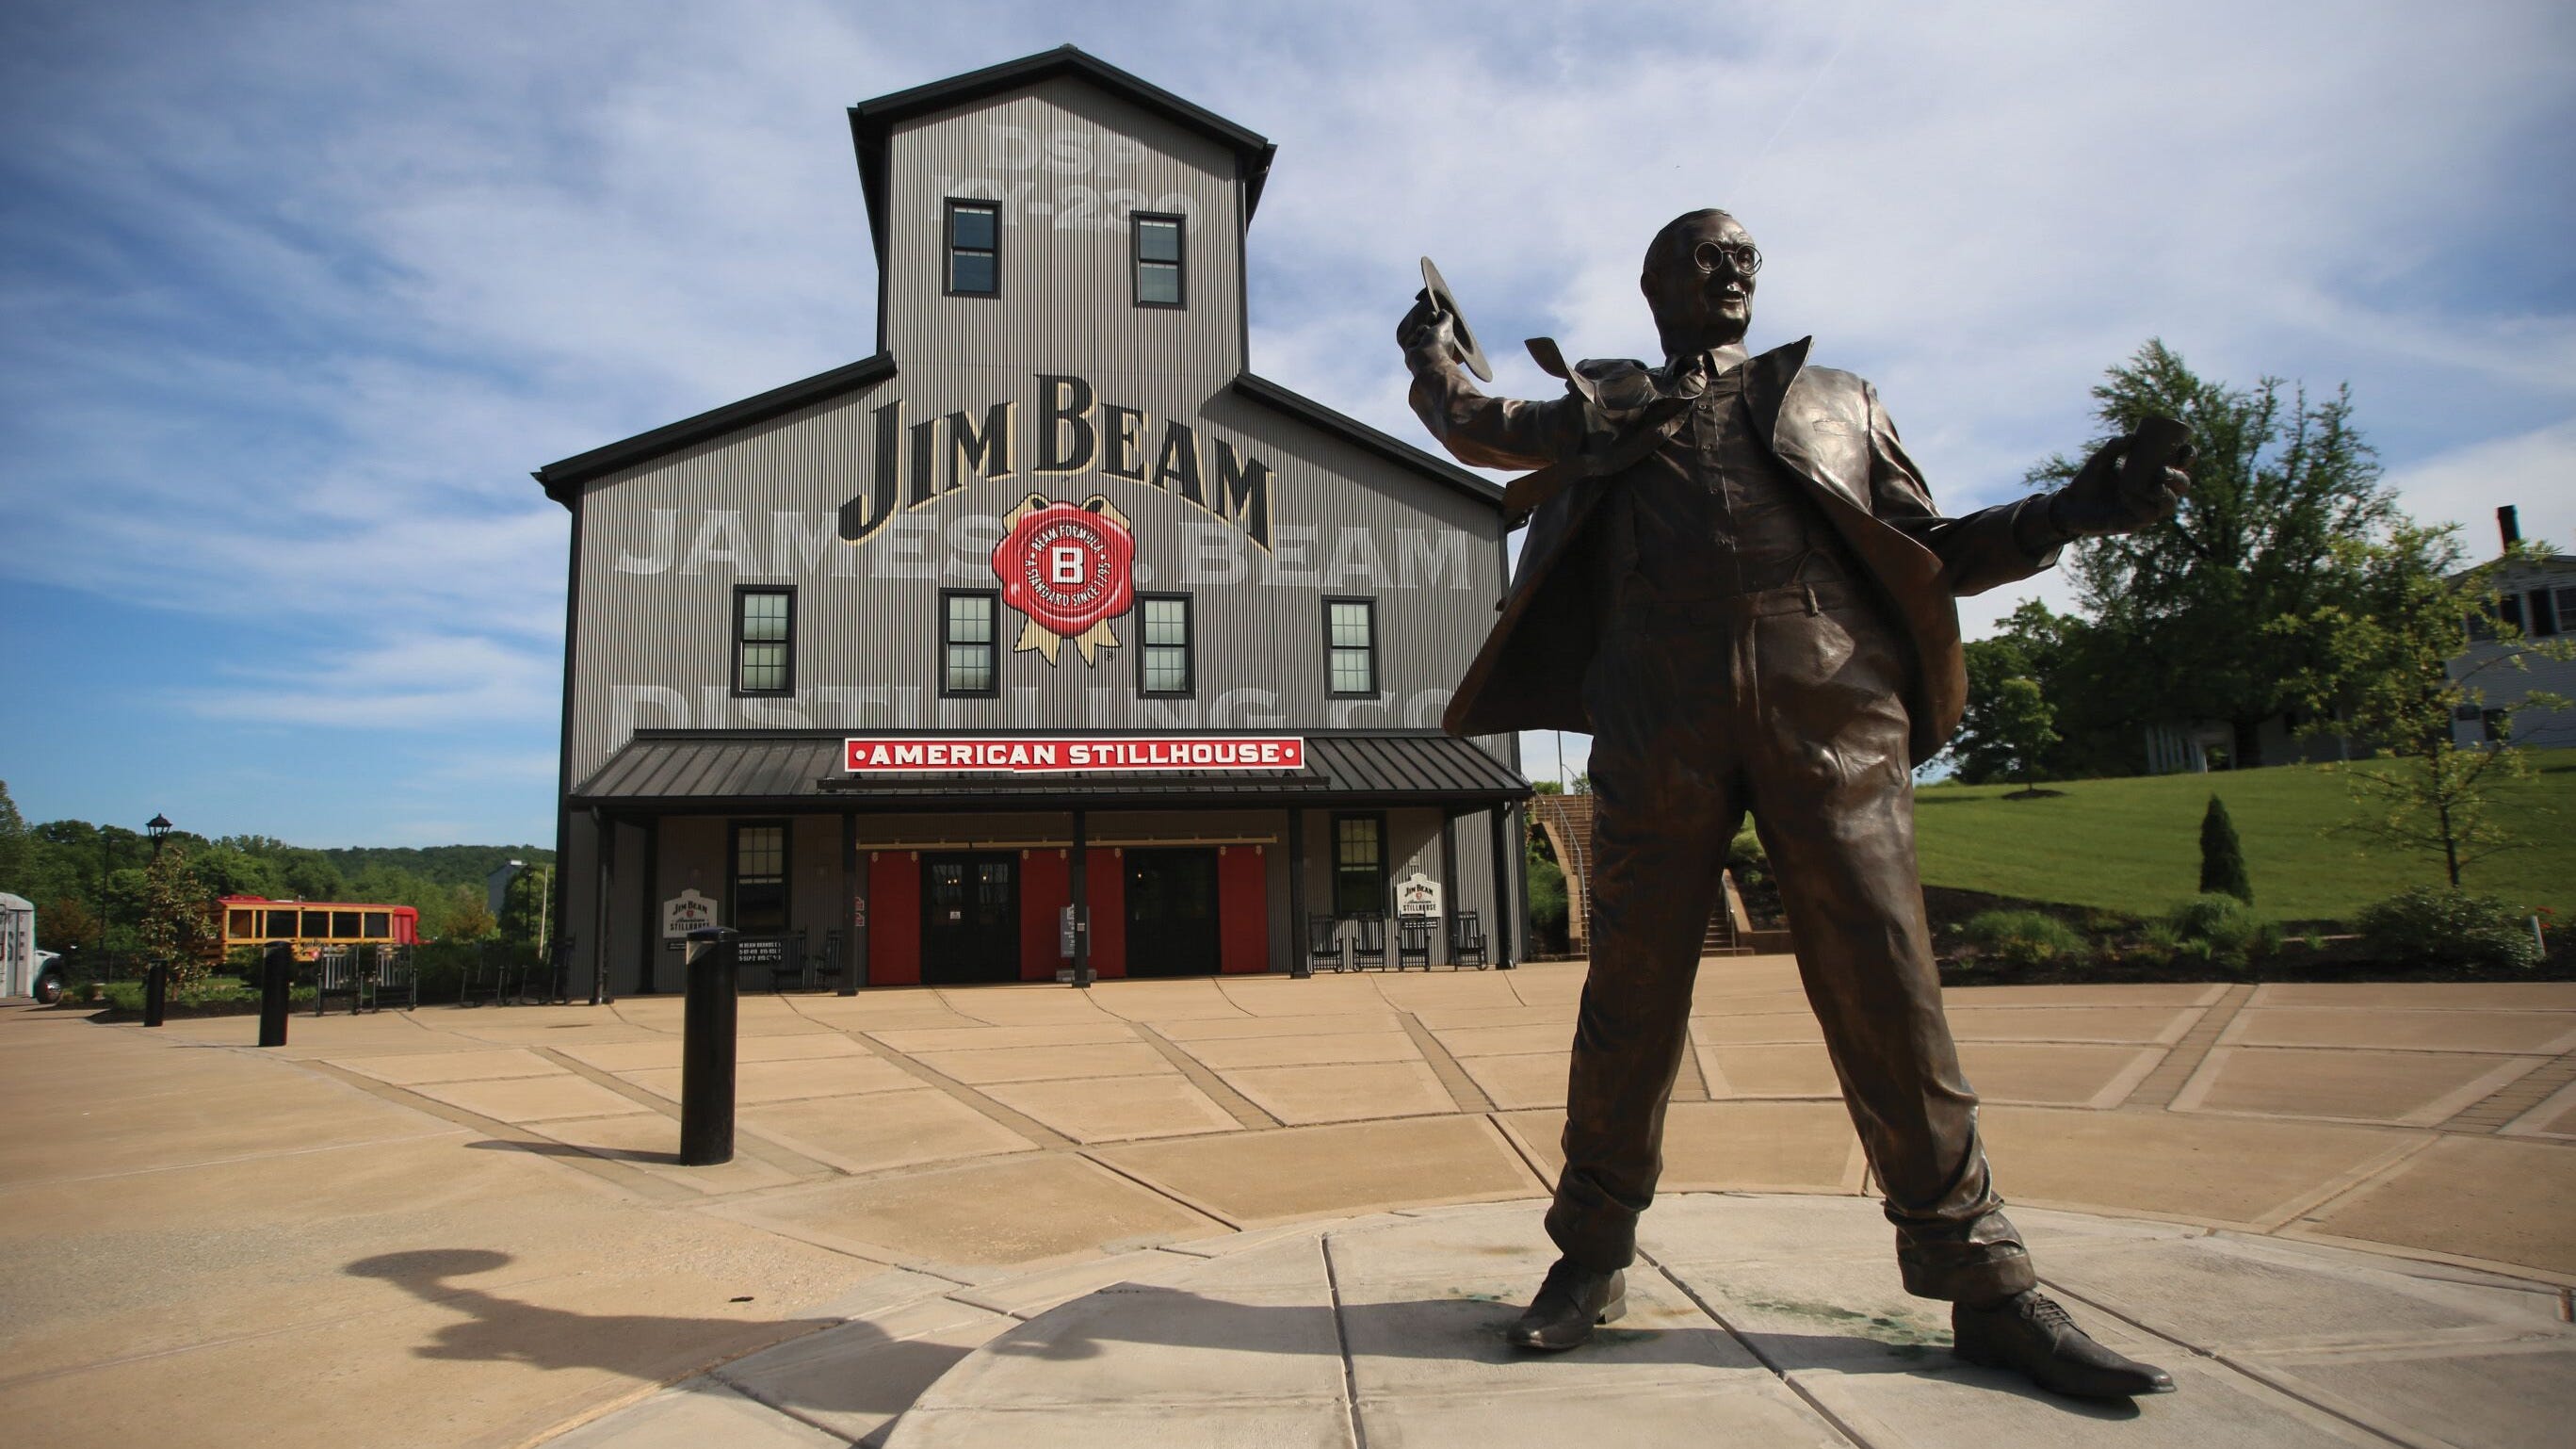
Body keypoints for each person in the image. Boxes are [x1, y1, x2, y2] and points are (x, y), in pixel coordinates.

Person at [1399, 208, 2188, 1400]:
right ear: (1658, 282)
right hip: (1655, 713)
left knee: (1888, 984)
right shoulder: (1603, 397)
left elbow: (1931, 548)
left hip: (1831, 705)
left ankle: (1981, 1278)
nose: (1734, 268)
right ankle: (1590, 1255)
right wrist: (1432, 353)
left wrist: (2070, 510)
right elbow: (1478, 427)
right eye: (1707, 253)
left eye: (1746, 257)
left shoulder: (1838, 401)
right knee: (1629, 992)